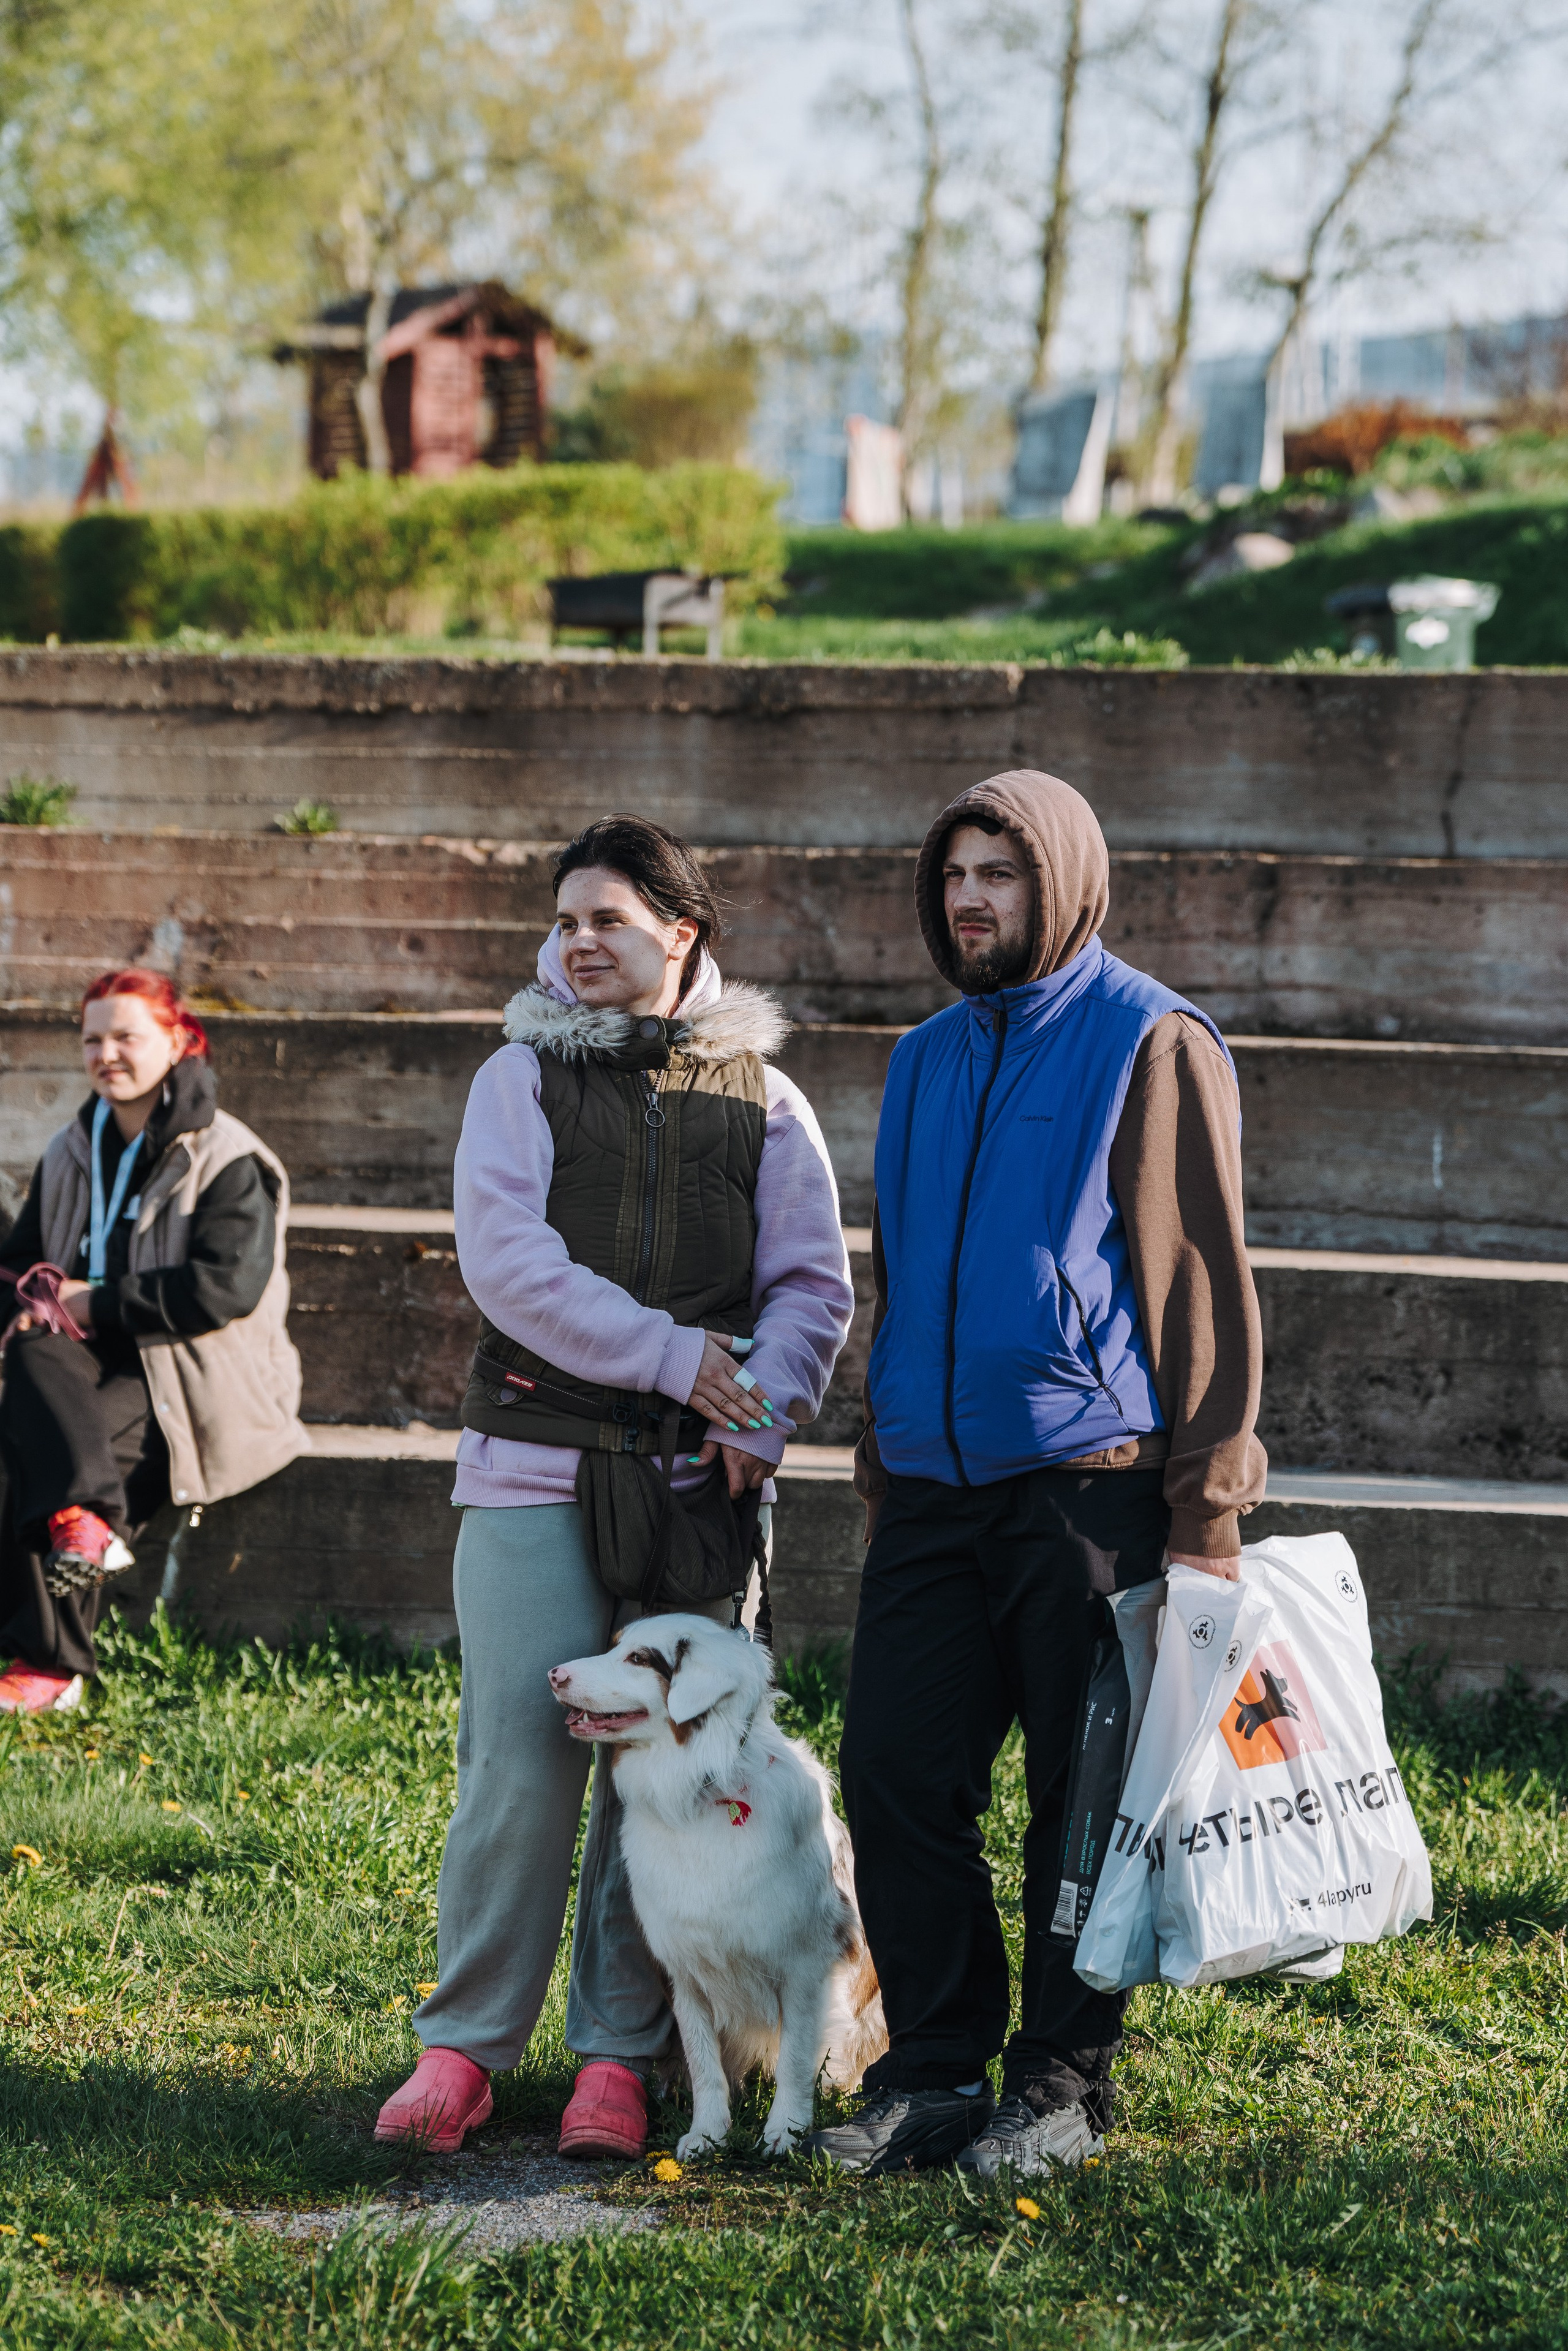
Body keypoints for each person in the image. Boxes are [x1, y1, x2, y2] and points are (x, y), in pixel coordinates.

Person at [804, 769, 1267, 2181]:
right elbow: (900, 1279)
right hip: (935, 1491)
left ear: (1059, 879)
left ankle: (1059, 2080)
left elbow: (1198, 1285)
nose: (968, 899)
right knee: (892, 1772)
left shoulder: (1149, 1042)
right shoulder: (923, 1058)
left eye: (998, 873)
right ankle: (935, 2068)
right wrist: (882, 1458)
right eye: (951, 875)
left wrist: (1207, 1512)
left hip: (1091, 1485)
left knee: (1080, 1804)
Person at [374, 814, 854, 2162]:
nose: (582, 942)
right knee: (519, 1768)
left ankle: (618, 2059)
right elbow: (509, 1266)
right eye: (569, 919)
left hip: (698, 1476)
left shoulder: (766, 1096)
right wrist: (680, 1357)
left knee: (666, 1776)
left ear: (679, 932)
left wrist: (755, 1412)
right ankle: (461, 2047)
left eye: (612, 921)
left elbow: (810, 1288)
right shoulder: (516, 1077)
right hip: (534, 1453)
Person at [0, 970, 309, 1714]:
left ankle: (54, 1663)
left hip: (195, 1368)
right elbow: (21, 1260)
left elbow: (222, 1291)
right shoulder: (74, 1148)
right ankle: (83, 1525)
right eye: (91, 1039)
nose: (107, 1053)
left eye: (125, 1035)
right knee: (30, 1354)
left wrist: (90, 1299)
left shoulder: (230, 1155)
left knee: (47, 1453)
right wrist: (33, 1302)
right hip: (83, 1358)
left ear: (177, 1041)